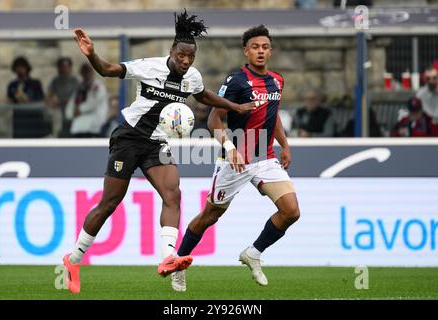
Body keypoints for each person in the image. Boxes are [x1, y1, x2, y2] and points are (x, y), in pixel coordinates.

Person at [62, 10, 259, 294]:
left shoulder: (191, 76)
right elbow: (108, 70)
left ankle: (168, 256)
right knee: (109, 203)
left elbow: (203, 95)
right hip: (129, 138)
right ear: (172, 51)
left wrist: (235, 107)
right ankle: (74, 259)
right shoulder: (149, 67)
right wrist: (91, 54)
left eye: (191, 56)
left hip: (156, 143)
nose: (186, 61)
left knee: (173, 193)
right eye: (181, 55)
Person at [169, 25, 300, 292]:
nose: (260, 51)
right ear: (246, 51)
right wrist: (230, 148)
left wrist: (284, 145)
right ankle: (177, 264)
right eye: (255, 47)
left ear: (270, 50)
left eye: (264, 47)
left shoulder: (277, 80)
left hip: (264, 157)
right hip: (234, 160)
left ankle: (253, 253)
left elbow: (272, 118)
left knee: (291, 211)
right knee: (209, 216)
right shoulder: (237, 81)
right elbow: (214, 119)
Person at [65, 63, 108, 138]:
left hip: (94, 127)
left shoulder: (98, 87)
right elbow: (71, 105)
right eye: (83, 72)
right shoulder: (79, 88)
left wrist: (80, 110)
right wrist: (71, 113)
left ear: (92, 73)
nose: (86, 75)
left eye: (87, 72)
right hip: (78, 128)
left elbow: (93, 103)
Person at [47, 57, 79, 137]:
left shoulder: (75, 80)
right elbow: (49, 95)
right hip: (60, 112)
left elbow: (78, 97)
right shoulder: (56, 81)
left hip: (73, 111)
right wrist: (51, 102)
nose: (63, 69)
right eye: (61, 67)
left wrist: (63, 102)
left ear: (70, 68)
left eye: (65, 67)